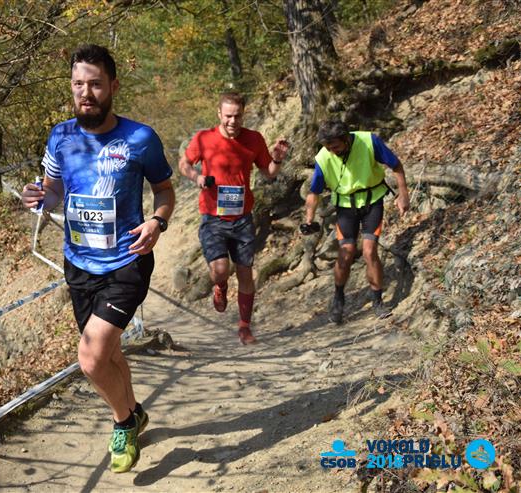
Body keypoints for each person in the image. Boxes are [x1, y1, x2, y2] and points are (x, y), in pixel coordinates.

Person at [20, 44, 175, 473]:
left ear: (113, 86)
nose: (85, 93)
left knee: (90, 358)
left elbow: (164, 191)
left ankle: (123, 422)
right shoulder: (61, 136)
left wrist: (157, 223)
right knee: (109, 354)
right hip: (79, 263)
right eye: (78, 85)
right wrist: (39, 198)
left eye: (95, 84)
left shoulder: (140, 138)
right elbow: (53, 190)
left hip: (127, 261)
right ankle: (135, 411)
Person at [178, 92, 288, 345]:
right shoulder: (204, 138)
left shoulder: (254, 139)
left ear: (243, 114)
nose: (232, 121)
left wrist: (277, 159)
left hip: (242, 218)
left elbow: (269, 173)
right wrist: (197, 177)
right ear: (219, 113)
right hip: (213, 217)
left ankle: (244, 327)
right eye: (228, 116)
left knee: (245, 273)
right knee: (220, 270)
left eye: (237, 116)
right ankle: (221, 286)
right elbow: (184, 164)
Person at [301, 120, 410, 324]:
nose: (332, 151)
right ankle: (338, 297)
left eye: (335, 146)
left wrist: (403, 195)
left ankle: (377, 301)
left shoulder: (369, 141)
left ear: (346, 139)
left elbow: (396, 165)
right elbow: (314, 192)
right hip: (345, 206)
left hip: (372, 201)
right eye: (328, 147)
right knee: (346, 252)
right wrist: (309, 219)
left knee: (369, 251)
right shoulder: (324, 157)